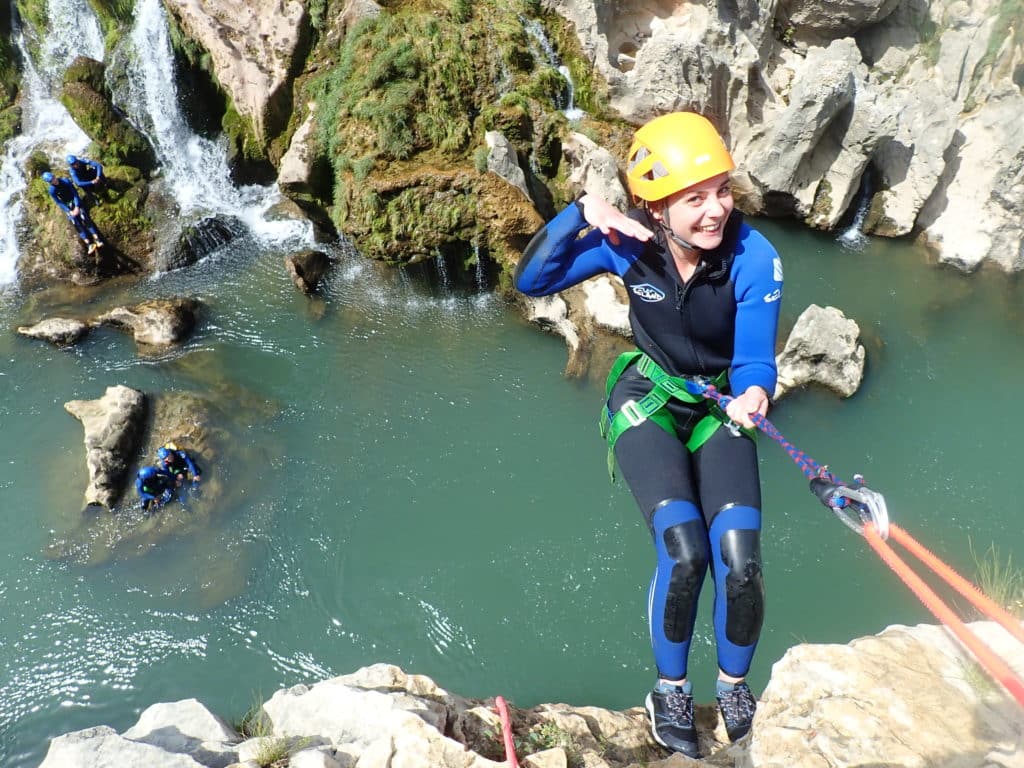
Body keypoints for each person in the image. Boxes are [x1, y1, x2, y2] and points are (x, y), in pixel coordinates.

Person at [514, 112, 783, 757]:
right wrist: (581, 215)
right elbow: (531, 280)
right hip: (649, 400)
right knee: (686, 551)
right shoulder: (627, 244)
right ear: (655, 207)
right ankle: (670, 689)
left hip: (721, 406)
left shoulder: (755, 258)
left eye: (721, 190)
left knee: (740, 559)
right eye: (695, 199)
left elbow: (752, 358)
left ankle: (734, 685)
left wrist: (754, 391)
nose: (715, 209)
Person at [41, 171, 104, 253]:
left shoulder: (65, 181)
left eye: (53, 178)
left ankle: (97, 239)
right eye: (51, 181)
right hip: (68, 205)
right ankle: (89, 244)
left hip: (75, 201)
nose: (54, 180)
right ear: (49, 182)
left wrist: (77, 206)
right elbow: (59, 202)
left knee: (84, 217)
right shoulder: (52, 190)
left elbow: (75, 194)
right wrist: (69, 211)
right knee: (75, 222)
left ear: (54, 176)